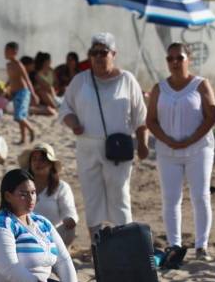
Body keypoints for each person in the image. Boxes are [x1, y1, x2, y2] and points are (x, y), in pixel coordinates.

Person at [59, 32, 149, 239]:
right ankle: (97, 244)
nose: (99, 56)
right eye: (94, 52)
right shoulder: (80, 81)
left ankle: (125, 241)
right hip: (87, 147)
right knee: (92, 197)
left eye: (103, 52)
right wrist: (73, 123)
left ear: (113, 53)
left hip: (118, 148)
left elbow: (140, 116)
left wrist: (143, 144)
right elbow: (65, 109)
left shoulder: (127, 80)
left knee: (119, 195)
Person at [146, 43, 215, 261]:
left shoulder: (200, 85)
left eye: (180, 58)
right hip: (168, 151)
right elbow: (151, 120)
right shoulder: (159, 88)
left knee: (200, 195)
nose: (175, 63)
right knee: (171, 198)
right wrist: (168, 140)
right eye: (171, 59)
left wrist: (191, 139)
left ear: (189, 59)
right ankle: (174, 244)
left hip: (198, 149)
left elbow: (211, 115)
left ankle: (201, 245)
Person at [18, 143, 79, 247]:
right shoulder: (21, 186)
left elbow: (69, 212)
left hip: (53, 236)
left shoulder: (62, 187)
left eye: (42, 159)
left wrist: (69, 219)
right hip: (25, 236)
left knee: (69, 230)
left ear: (51, 164)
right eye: (34, 159)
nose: (38, 163)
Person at [5, 42, 38, 144]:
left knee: (19, 116)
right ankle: (23, 139)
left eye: (7, 50)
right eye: (5, 50)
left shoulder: (18, 64)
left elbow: (27, 79)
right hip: (15, 93)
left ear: (14, 52)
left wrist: (33, 94)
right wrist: (7, 87)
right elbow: (10, 79)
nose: (5, 52)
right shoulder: (8, 65)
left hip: (23, 92)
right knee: (21, 117)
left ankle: (31, 129)